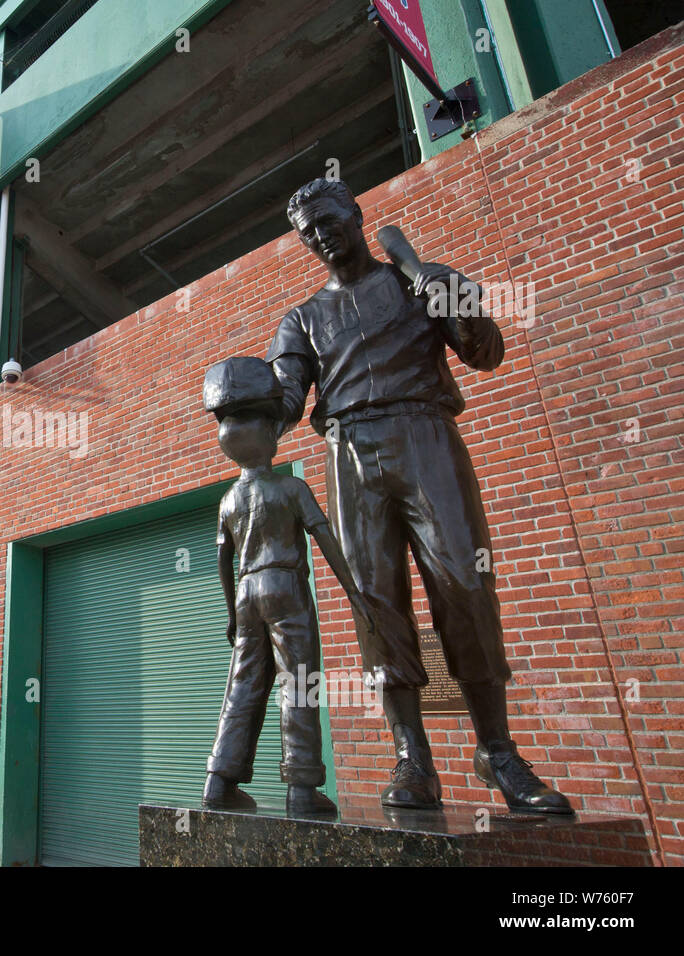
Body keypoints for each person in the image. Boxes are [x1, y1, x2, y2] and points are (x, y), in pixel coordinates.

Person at [265, 177, 570, 813]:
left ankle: (498, 751)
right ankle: (414, 758)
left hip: (425, 434)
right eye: (308, 231)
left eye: (329, 220)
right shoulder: (302, 319)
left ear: (355, 215)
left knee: (462, 579)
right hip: (349, 452)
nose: (321, 236)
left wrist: (451, 295)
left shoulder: (415, 280)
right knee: (375, 600)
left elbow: (485, 351)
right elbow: (288, 399)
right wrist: (260, 407)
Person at [200, 355, 375, 815]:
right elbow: (326, 539)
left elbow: (223, 559)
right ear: (270, 440)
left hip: (245, 592)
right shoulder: (290, 488)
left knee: (241, 684)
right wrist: (354, 594)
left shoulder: (227, 499)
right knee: (298, 681)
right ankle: (301, 787)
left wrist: (230, 615)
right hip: (284, 587)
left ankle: (219, 780)